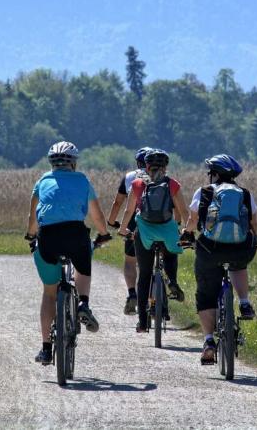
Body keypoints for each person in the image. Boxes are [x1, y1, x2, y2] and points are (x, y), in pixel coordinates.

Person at [25, 141, 112, 365]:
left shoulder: (42, 181)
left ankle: (46, 348)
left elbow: (32, 219)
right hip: (75, 235)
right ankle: (83, 302)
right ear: (73, 163)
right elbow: (97, 216)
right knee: (83, 265)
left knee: (49, 293)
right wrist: (103, 234)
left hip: (48, 239)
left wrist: (31, 236)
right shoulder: (82, 181)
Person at [180, 154, 257, 364]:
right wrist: (252, 240)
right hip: (240, 249)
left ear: (215, 174)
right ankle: (244, 303)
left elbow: (193, 219)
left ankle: (208, 341)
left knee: (206, 293)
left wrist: (186, 234)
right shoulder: (244, 193)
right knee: (239, 265)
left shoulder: (205, 192)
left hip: (210, 249)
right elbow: (253, 224)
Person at [118, 149, 188, 332]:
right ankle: (172, 280)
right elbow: (183, 211)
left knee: (145, 276)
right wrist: (185, 229)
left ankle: (142, 321)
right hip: (167, 231)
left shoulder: (137, 184)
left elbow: (128, 211)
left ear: (146, 166)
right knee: (172, 253)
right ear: (165, 167)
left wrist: (123, 228)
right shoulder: (172, 184)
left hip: (145, 233)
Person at [106, 147, 152, 315]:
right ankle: (159, 294)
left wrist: (112, 221)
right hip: (158, 223)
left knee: (130, 260)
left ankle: (132, 293)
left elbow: (118, 203)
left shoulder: (130, 177)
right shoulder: (162, 177)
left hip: (134, 222)